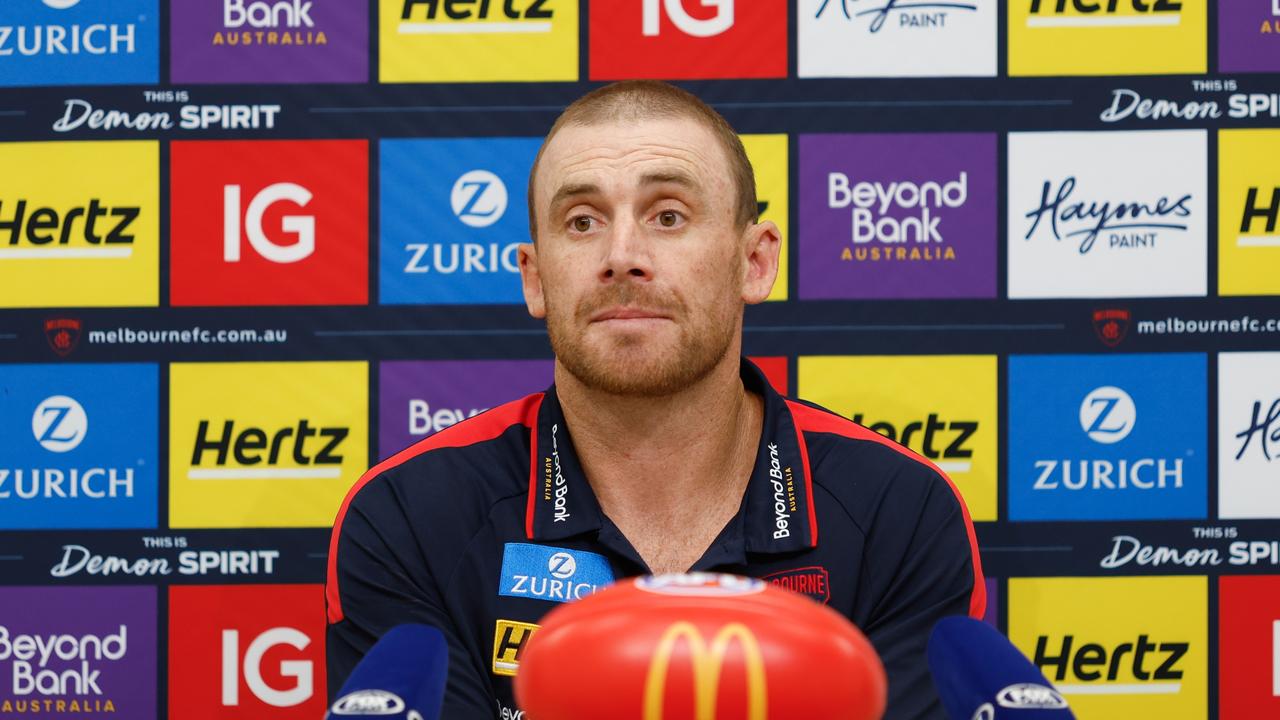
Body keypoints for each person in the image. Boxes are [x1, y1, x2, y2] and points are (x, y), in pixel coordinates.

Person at [326, 80, 985, 719]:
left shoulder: (903, 511)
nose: (621, 256)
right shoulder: (409, 518)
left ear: (754, 262)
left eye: (668, 216)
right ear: (535, 280)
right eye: (581, 222)